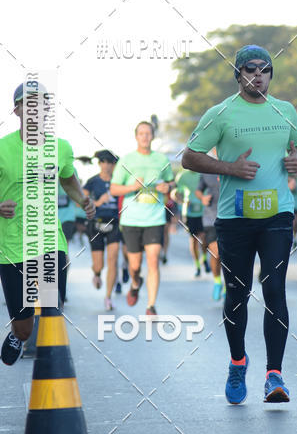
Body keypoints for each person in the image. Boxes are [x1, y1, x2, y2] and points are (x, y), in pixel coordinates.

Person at [181, 45, 297, 404]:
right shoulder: (220, 113)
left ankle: (274, 376)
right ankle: (238, 361)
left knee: (274, 290)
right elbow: (189, 157)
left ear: (271, 74)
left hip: (277, 215)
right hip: (234, 218)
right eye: (249, 69)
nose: (258, 75)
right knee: (237, 296)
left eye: (264, 69)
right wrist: (230, 169)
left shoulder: (284, 110)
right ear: (237, 74)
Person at [0, 81, 95, 364]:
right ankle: (19, 335)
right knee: (25, 325)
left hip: (50, 240)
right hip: (12, 246)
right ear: (16, 110)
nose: (35, 109)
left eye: (41, 104)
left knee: (52, 305)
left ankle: (52, 365)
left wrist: (82, 199)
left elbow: (68, 178)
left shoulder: (60, 148)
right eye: (28, 103)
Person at [110, 122, 174, 316]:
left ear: (153, 136)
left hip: (154, 219)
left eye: (148, 133)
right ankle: (136, 282)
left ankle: (151, 305)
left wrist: (168, 188)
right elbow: (114, 189)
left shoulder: (162, 159)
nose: (145, 137)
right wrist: (132, 188)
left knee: (153, 260)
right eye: (141, 133)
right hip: (131, 220)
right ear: (136, 136)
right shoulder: (126, 160)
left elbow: (171, 183)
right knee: (135, 265)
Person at [83, 150, 122, 311]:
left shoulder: (119, 181)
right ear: (99, 164)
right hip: (96, 224)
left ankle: (108, 297)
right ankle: (97, 274)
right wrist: (97, 202)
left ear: (115, 165)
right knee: (99, 264)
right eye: (103, 162)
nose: (107, 166)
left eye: (110, 162)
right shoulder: (92, 181)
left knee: (113, 259)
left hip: (115, 223)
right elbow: (81, 201)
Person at [175, 168, 210, 277]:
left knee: (204, 237)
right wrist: (183, 201)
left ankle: (204, 259)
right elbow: (175, 193)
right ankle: (197, 266)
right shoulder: (182, 176)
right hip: (189, 213)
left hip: (203, 210)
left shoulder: (203, 173)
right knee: (194, 239)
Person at [195, 167, 223, 300]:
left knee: (230, 256)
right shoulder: (207, 168)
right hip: (211, 218)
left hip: (233, 217)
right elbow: (198, 190)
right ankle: (218, 282)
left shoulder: (235, 163)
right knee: (216, 253)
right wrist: (202, 197)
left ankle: (229, 285)